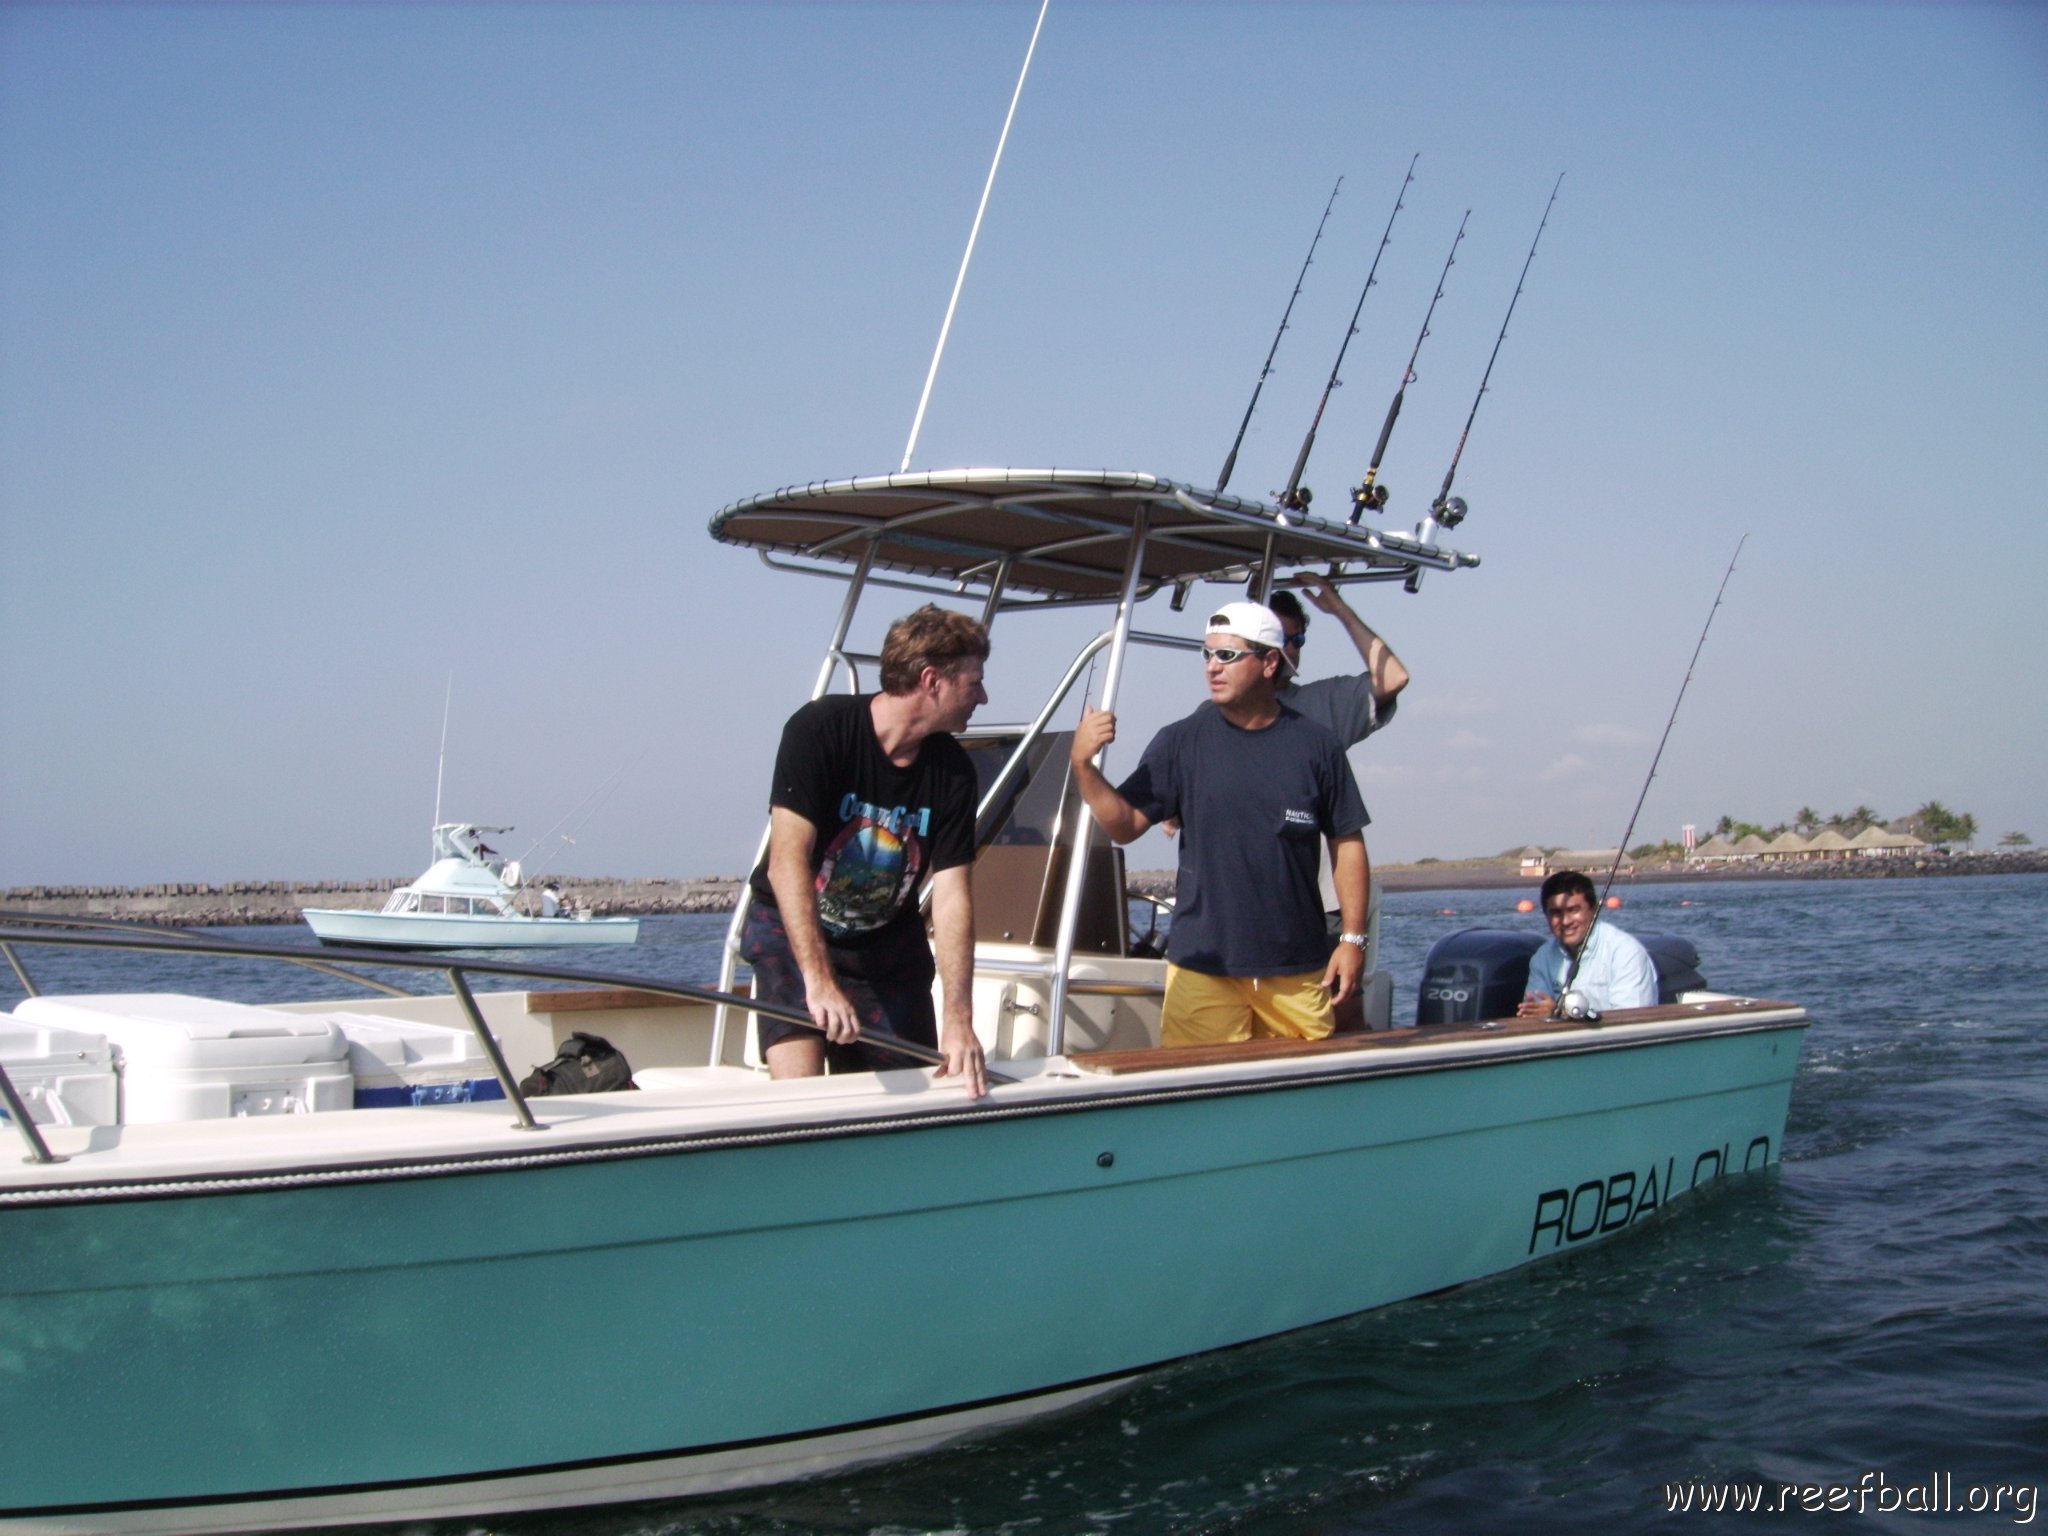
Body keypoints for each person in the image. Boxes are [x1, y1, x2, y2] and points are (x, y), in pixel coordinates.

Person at [1070, 601, 1370, 1047]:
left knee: (1301, 1104)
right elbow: (1126, 825)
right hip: (1201, 967)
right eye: (1207, 654)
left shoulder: (1318, 746)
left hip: (1294, 966)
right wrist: (1083, 766)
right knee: (1195, 1099)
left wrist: (1352, 939)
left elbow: (1347, 844)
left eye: (1227, 655)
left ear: (1270, 662)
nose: (1212, 666)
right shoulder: (1179, 741)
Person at [742, 604, 990, 1098]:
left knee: (909, 1101)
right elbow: (787, 858)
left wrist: (959, 1019)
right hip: (792, 933)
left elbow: (952, 896)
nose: (983, 697)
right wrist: (819, 980)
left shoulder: (955, 773)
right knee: (802, 1100)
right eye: (974, 682)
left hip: (885, 949)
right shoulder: (820, 730)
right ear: (931, 680)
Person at [1268, 571, 1410, 746]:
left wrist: (1341, 610)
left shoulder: (1323, 704)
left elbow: (1393, 678)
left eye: (1297, 640)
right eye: (1281, 639)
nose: (1290, 649)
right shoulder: (1226, 702)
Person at [1517, 869, 1659, 1017]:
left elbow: (1631, 1021)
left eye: (1574, 910)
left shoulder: (1626, 953)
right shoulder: (1542, 958)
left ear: (1594, 910)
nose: (1565, 921)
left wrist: (1560, 1014)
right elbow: (1533, 1012)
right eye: (1556, 913)